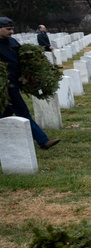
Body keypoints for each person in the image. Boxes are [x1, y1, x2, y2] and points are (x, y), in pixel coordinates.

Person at [0, 17, 60, 150]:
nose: (12, 32)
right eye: (8, 29)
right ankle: (43, 141)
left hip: (16, 81)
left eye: (12, 29)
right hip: (7, 86)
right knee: (22, 112)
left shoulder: (13, 42)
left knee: (5, 113)